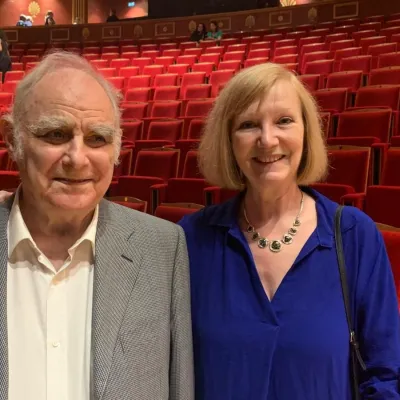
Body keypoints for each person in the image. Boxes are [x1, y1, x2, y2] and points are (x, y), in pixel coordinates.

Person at [178, 63, 400, 399]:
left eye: (284, 120)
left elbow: (385, 373)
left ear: (306, 132)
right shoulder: (191, 238)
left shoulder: (355, 236)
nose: (267, 140)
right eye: (248, 125)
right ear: (229, 141)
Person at [0, 51, 194, 400]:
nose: (77, 158)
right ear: (12, 138)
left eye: (97, 139)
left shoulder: (163, 248)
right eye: (55, 134)